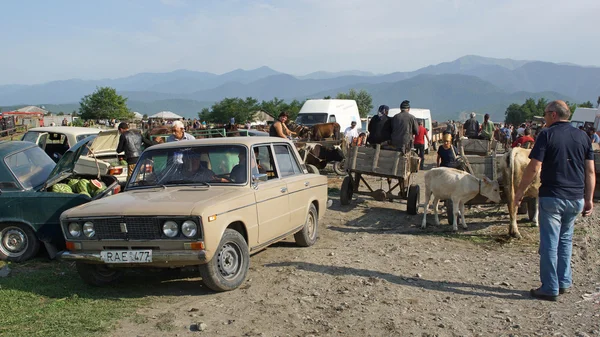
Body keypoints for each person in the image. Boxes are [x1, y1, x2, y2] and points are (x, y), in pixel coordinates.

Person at [513, 100, 595, 302]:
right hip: (575, 198)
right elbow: (590, 171)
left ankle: (550, 287)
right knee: (565, 240)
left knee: (550, 242)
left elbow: (533, 167)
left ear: (553, 115)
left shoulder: (547, 135)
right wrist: (589, 199)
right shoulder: (583, 136)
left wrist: (520, 191)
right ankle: (564, 281)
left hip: (553, 196)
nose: (545, 118)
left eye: (545, 114)